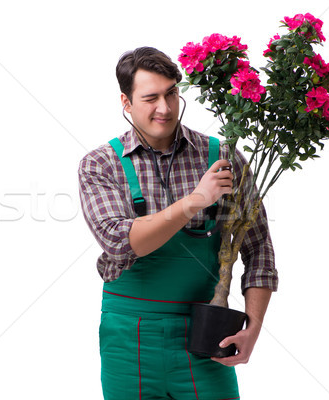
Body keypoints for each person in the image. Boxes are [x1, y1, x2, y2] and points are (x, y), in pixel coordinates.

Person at [78, 46, 278, 399]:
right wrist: (196, 201)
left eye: (171, 93)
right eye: (151, 97)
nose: (165, 108)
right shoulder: (100, 164)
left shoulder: (223, 157)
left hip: (207, 331)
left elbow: (259, 247)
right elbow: (122, 241)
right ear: (126, 102)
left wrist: (253, 326)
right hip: (128, 337)